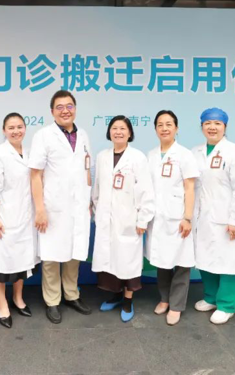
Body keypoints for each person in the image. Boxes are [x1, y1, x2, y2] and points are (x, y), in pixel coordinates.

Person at [29, 90, 92, 324]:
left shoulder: (83, 135)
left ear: (75, 108)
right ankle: (52, 300)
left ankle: (72, 294)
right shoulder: (43, 135)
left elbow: (86, 168)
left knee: (75, 252)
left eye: (69, 106)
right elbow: (35, 175)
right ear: (52, 111)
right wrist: (40, 209)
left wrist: (88, 199)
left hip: (78, 205)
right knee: (52, 255)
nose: (65, 111)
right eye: (60, 107)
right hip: (53, 206)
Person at [91, 116, 154, 322]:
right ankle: (115, 296)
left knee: (127, 261)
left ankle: (128, 300)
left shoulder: (137, 157)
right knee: (110, 261)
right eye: (114, 128)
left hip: (129, 220)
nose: (118, 132)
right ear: (109, 132)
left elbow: (145, 190)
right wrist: (97, 210)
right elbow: (97, 187)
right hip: (106, 218)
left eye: (122, 128)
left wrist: (143, 219)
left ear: (129, 133)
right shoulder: (102, 156)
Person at [192, 108, 235, 325]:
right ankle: (211, 297)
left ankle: (226, 305)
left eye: (217, 123)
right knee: (205, 258)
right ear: (201, 127)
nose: (212, 127)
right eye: (207, 123)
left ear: (225, 127)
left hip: (227, 218)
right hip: (202, 217)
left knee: (228, 261)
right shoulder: (195, 152)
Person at [0, 113, 39, 329]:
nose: (16, 131)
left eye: (19, 127)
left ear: (25, 128)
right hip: (4, 216)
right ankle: (2, 304)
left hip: (26, 217)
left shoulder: (31, 153)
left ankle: (18, 298)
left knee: (22, 261)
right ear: (4, 130)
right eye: (11, 128)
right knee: (0, 263)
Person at [145, 110, 199, 326]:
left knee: (181, 263)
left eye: (169, 124)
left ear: (176, 128)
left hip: (178, 217)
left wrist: (187, 217)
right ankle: (164, 299)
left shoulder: (185, 155)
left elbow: (190, 187)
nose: (164, 128)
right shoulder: (150, 155)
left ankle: (176, 305)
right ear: (155, 129)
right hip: (157, 217)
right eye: (160, 124)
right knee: (162, 261)